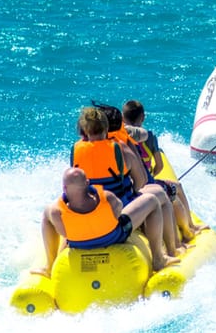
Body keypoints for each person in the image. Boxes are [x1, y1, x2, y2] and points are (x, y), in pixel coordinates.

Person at [71, 106, 183, 256]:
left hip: (88, 211)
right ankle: (166, 253)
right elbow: (141, 180)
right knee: (157, 196)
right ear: (105, 129)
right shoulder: (119, 148)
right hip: (119, 211)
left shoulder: (75, 151)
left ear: (84, 130)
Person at [34, 167, 179, 277]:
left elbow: (64, 233)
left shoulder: (56, 211)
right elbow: (118, 211)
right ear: (87, 182)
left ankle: (50, 266)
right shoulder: (106, 197)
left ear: (64, 188)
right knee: (152, 200)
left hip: (78, 243)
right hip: (113, 237)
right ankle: (158, 259)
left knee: (46, 214)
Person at [122, 99, 206, 241]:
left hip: (128, 185)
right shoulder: (149, 137)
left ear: (123, 118)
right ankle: (189, 228)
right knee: (176, 187)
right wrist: (151, 175)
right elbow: (159, 165)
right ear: (142, 118)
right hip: (145, 183)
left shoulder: (118, 138)